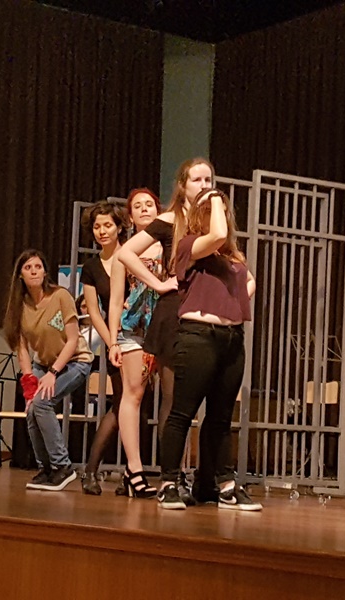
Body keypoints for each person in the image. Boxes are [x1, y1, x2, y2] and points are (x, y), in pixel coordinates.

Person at [156, 188, 260, 511]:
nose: (222, 214)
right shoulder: (189, 246)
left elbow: (250, 282)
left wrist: (233, 302)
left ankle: (222, 484)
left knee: (220, 417)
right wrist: (213, 196)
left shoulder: (232, 258)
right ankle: (168, 483)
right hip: (198, 336)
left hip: (232, 339)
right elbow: (216, 235)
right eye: (215, 209)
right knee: (182, 413)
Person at [117, 158, 212, 505]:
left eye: (208, 179)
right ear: (182, 185)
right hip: (169, 317)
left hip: (202, 317)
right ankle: (166, 477)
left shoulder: (211, 222)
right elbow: (126, 254)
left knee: (189, 401)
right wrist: (158, 284)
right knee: (168, 399)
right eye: (197, 179)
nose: (204, 185)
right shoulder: (170, 220)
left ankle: (189, 475)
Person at [3, 249, 93, 491]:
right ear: (20, 275)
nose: (34, 271)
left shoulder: (60, 296)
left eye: (38, 267)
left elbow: (72, 340)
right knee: (32, 409)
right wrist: (29, 385)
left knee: (43, 403)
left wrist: (53, 373)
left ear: (44, 271)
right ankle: (46, 469)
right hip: (42, 364)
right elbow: (22, 349)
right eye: (28, 268)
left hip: (75, 360)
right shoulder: (20, 306)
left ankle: (63, 466)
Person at [108, 188, 163, 498]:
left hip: (166, 327)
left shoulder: (170, 245)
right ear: (130, 217)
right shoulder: (124, 252)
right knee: (133, 395)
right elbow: (116, 300)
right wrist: (113, 340)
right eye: (138, 206)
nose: (144, 209)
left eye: (149, 204)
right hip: (134, 329)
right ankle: (135, 469)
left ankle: (173, 473)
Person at [78, 202, 128, 495]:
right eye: (97, 227)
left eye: (107, 225)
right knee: (122, 405)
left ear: (119, 227)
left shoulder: (133, 255)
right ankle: (91, 471)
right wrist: (112, 342)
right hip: (114, 342)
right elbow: (94, 312)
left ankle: (130, 475)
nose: (102, 231)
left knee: (136, 407)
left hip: (142, 339)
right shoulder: (91, 267)